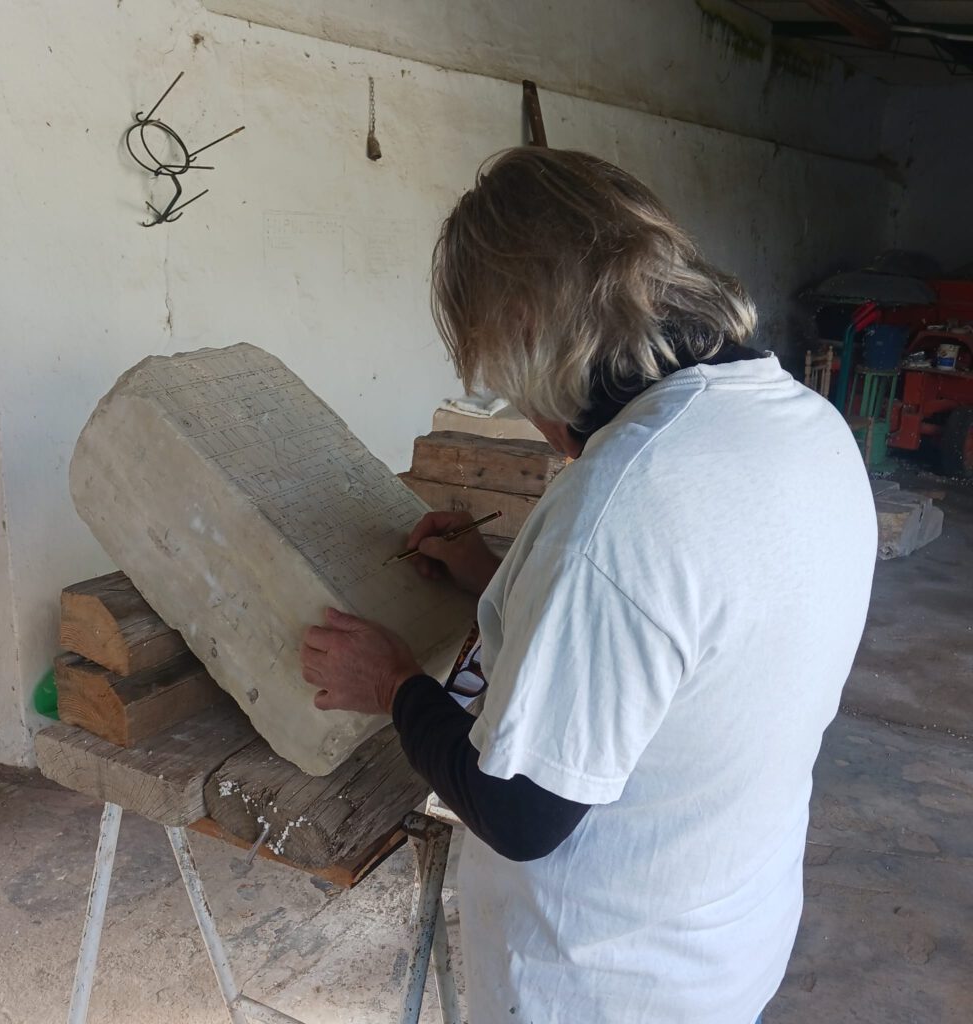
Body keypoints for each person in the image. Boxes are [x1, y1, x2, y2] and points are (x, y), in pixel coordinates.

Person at [300, 148, 877, 1024]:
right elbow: (675, 643)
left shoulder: (628, 501)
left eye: (503, 369)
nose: (522, 409)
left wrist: (392, 684)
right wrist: (493, 579)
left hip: (599, 984)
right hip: (724, 940)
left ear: (537, 327)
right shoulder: (801, 425)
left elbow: (520, 811)